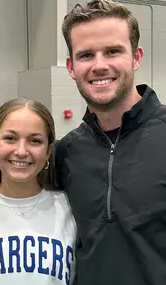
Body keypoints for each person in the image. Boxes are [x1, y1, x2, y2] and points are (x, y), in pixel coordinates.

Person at [56, 0, 166, 284]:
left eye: (113, 51)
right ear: (71, 66)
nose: (99, 65)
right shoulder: (67, 151)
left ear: (136, 57)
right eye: (86, 55)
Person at [0, 98, 77, 285]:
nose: (21, 151)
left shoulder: (69, 208)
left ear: (48, 152)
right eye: (10, 138)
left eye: (35, 141)